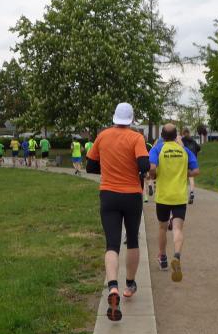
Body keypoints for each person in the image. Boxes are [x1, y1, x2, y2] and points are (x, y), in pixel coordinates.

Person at [85, 102, 150, 322]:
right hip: (132, 195)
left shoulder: (102, 136)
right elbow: (144, 165)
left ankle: (112, 287)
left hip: (109, 195)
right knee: (132, 240)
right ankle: (129, 285)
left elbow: (90, 166)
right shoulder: (136, 138)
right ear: (131, 119)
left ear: (114, 117)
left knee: (112, 244)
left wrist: (109, 167)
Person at [149, 123, 199, 281]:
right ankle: (177, 255)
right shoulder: (185, 151)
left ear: (162, 136)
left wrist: (154, 176)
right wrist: (184, 174)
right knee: (177, 228)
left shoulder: (157, 149)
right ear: (176, 134)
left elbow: (152, 167)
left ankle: (163, 257)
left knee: (162, 227)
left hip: (163, 196)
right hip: (179, 196)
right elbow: (196, 171)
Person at [181, 127, 201, 204]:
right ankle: (192, 192)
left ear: (183, 133)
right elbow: (199, 149)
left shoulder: (182, 141)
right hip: (193, 161)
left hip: (184, 160)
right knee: (191, 178)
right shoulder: (193, 141)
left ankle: (183, 195)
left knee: (183, 178)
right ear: (189, 133)